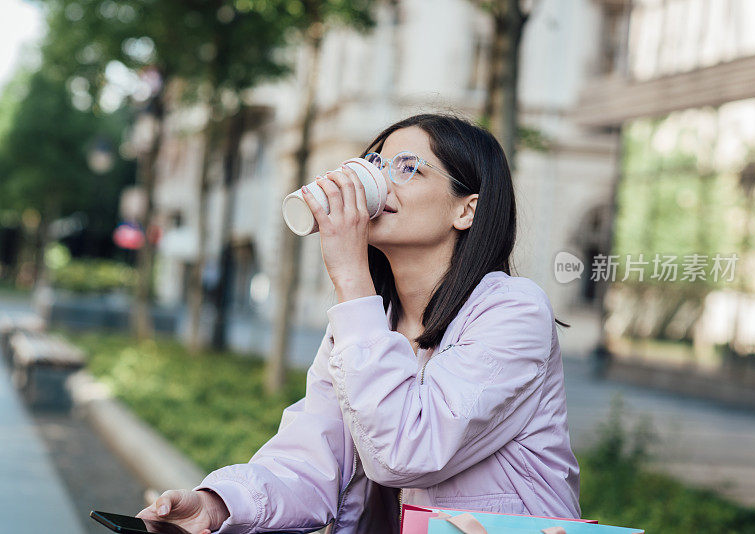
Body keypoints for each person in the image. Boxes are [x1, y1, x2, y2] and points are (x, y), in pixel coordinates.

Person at [136, 113, 581, 534]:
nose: (381, 179)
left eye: (408, 168)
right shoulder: (367, 321)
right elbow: (313, 461)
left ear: (466, 210)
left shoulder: (513, 310)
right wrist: (217, 505)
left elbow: (407, 452)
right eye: (376, 163)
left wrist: (349, 273)